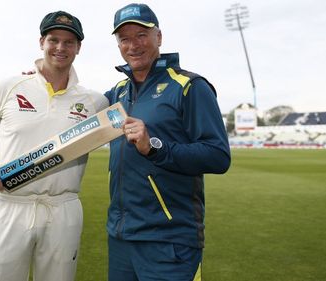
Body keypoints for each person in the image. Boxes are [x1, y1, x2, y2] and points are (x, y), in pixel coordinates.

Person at [0, 11, 108, 281]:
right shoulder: (11, 86)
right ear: (42, 42)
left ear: (79, 48)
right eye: (54, 40)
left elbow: (121, 117)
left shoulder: (94, 101)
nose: (60, 48)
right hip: (10, 206)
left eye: (69, 42)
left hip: (63, 209)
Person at [104, 3, 231, 281]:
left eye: (141, 35)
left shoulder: (189, 86)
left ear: (158, 37)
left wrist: (155, 147)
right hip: (121, 236)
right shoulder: (117, 92)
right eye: (124, 38)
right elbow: (75, 107)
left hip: (169, 239)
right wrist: (43, 78)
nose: (133, 45)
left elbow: (218, 156)